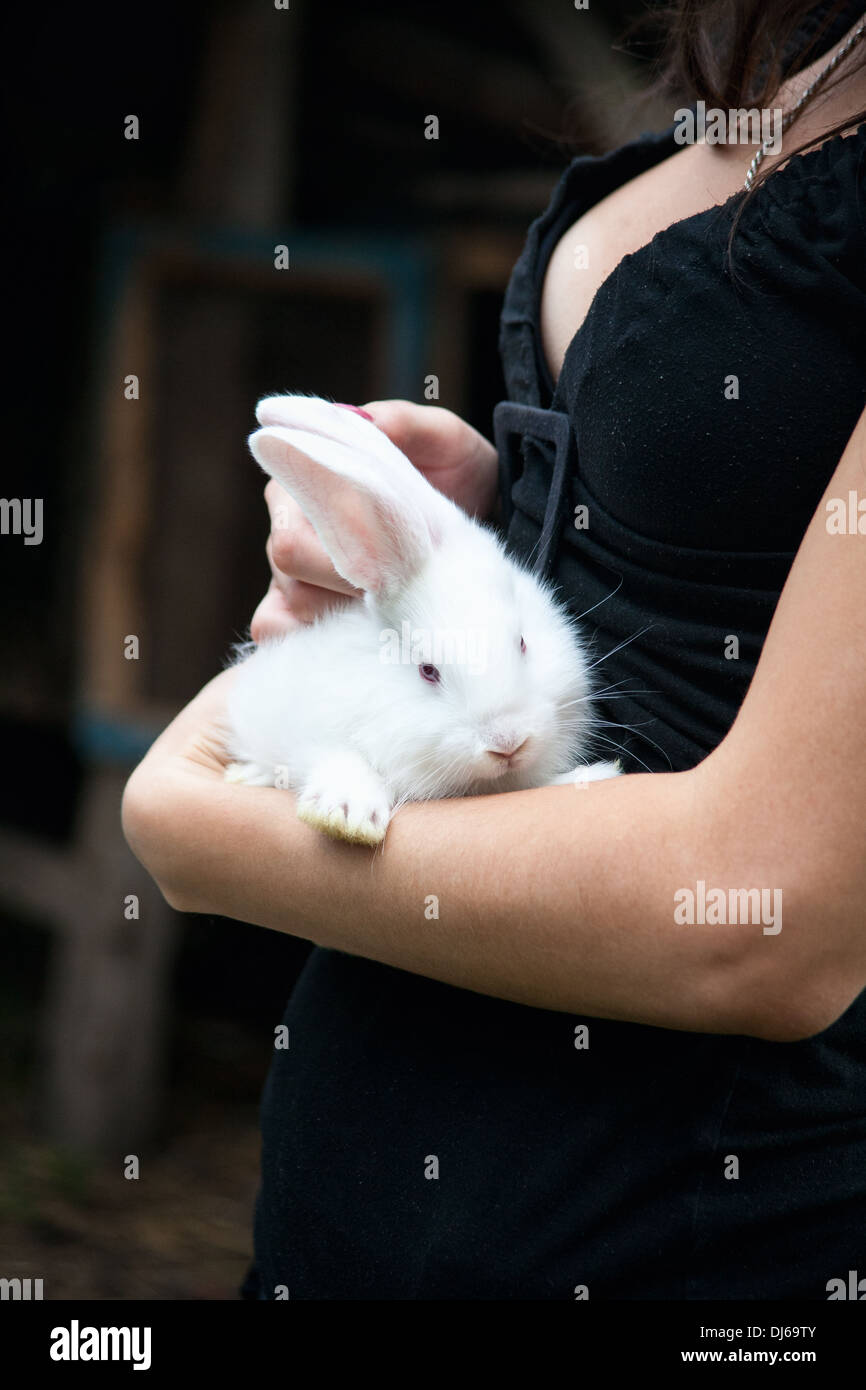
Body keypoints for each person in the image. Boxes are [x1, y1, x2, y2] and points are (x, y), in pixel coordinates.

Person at [123, 0, 866, 1299]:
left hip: (686, 1244)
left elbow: (771, 916)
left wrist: (196, 821)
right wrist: (494, 519)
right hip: (338, 1221)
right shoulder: (804, 56)